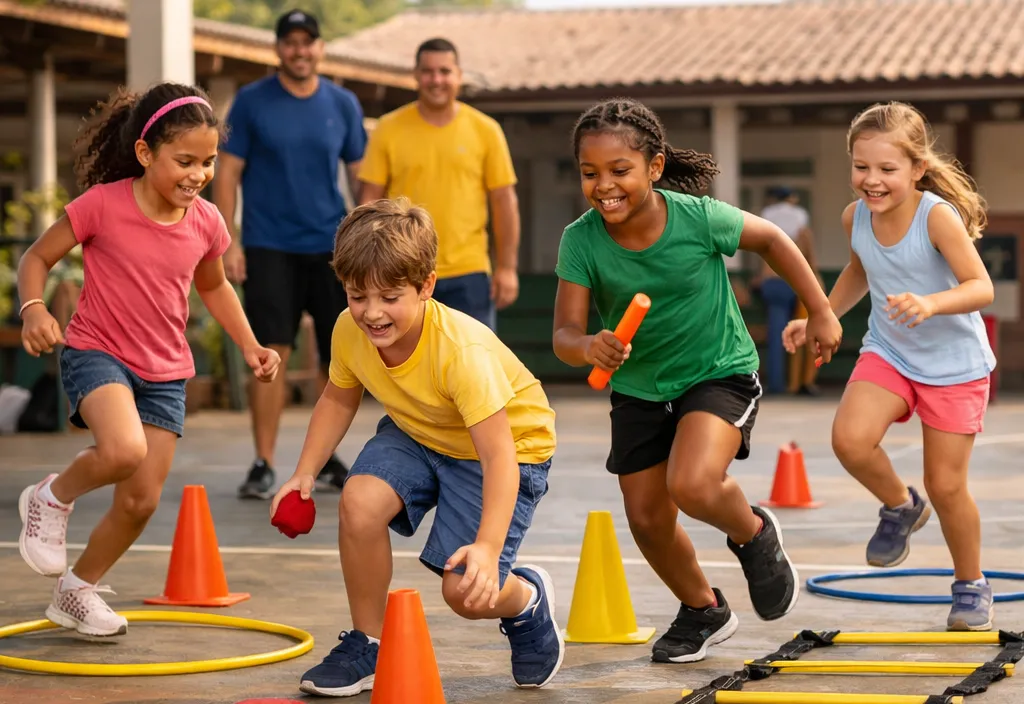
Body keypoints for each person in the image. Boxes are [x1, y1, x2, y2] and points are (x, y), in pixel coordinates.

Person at [552, 97, 842, 663]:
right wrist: (588, 344)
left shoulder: (697, 217)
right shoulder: (580, 240)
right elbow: (565, 333)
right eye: (590, 174)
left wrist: (821, 309)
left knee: (693, 484)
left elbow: (774, 242)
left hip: (718, 371)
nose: (604, 186)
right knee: (647, 518)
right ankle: (703, 608)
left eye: (619, 171)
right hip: (638, 388)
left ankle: (753, 533)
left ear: (654, 167)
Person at [16, 82, 280, 637]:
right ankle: (49, 496)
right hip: (97, 352)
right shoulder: (102, 206)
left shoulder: (206, 220)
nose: (198, 174)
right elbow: (36, 257)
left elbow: (214, 289)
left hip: (165, 372)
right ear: (144, 153)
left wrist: (251, 345)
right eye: (184, 160)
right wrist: (35, 309)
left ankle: (76, 590)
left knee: (139, 501)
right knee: (123, 450)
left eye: (207, 162)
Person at [269, 198, 563, 696]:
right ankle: (369, 642)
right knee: (358, 503)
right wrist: (304, 471)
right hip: (420, 431)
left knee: (465, 592)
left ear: (426, 286)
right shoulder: (348, 329)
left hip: (508, 449)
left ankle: (526, 600)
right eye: (357, 295)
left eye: (389, 296)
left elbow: (499, 456)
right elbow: (338, 399)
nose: (372, 313)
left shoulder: (461, 353)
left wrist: (489, 549)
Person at [784, 101, 997, 631]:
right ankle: (901, 505)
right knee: (850, 440)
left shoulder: (936, 217)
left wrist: (931, 303)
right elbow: (861, 269)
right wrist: (820, 315)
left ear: (917, 169)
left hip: (954, 365)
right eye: (861, 167)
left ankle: (970, 583)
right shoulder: (855, 217)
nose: (871, 181)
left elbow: (981, 287)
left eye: (886, 170)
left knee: (947, 487)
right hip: (891, 351)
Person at [214, 9, 367, 500]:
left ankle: (323, 459)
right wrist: (228, 241)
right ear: (278, 48)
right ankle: (263, 461)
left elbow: (363, 177)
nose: (300, 50)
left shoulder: (342, 103)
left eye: (308, 42)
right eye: (291, 42)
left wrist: (366, 242)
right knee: (270, 354)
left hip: (331, 247)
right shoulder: (252, 103)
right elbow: (228, 174)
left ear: (320, 47)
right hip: (268, 245)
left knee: (339, 356)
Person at [357, 37, 520, 331]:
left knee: (472, 368)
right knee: (408, 369)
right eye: (428, 71)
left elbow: (504, 202)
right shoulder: (388, 129)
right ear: (416, 75)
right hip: (403, 272)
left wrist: (507, 268)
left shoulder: (486, 130)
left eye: (445, 71)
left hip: (468, 272)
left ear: (459, 76)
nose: (436, 80)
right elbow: (369, 203)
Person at [756, 186, 822, 395]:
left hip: (772, 279)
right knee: (802, 329)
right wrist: (815, 274)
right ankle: (800, 382)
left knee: (776, 332)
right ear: (792, 198)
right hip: (795, 278)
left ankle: (776, 384)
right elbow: (806, 244)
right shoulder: (800, 214)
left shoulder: (767, 214)